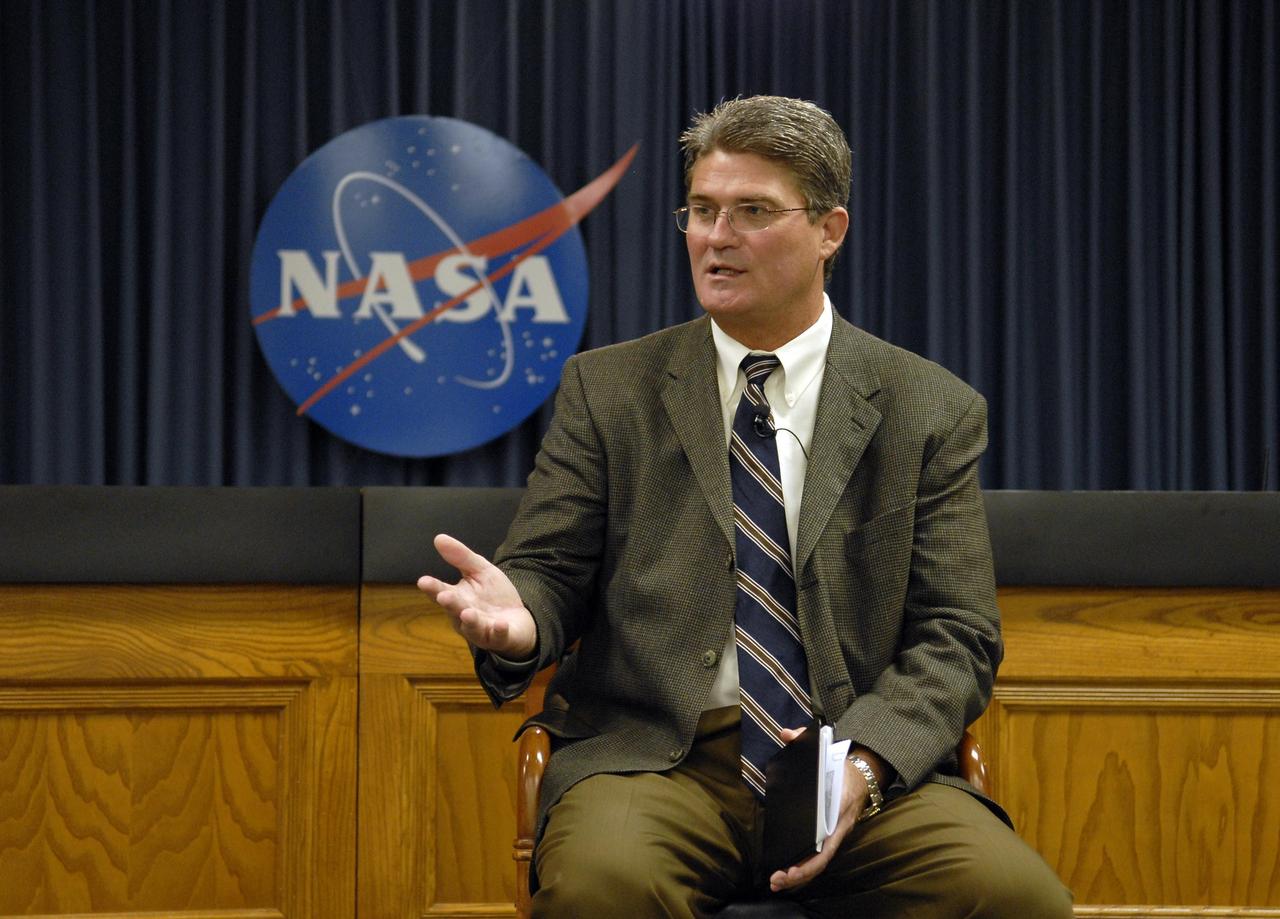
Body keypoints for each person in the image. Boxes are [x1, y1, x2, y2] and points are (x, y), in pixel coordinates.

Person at [418, 95, 1072, 918]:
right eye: (700, 210)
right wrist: (522, 624)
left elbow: (958, 635)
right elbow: (547, 573)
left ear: (829, 230)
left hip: (851, 760)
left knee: (1014, 895)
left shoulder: (926, 408)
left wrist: (866, 762)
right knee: (601, 888)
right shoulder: (609, 389)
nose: (715, 236)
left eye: (752, 211)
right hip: (658, 759)